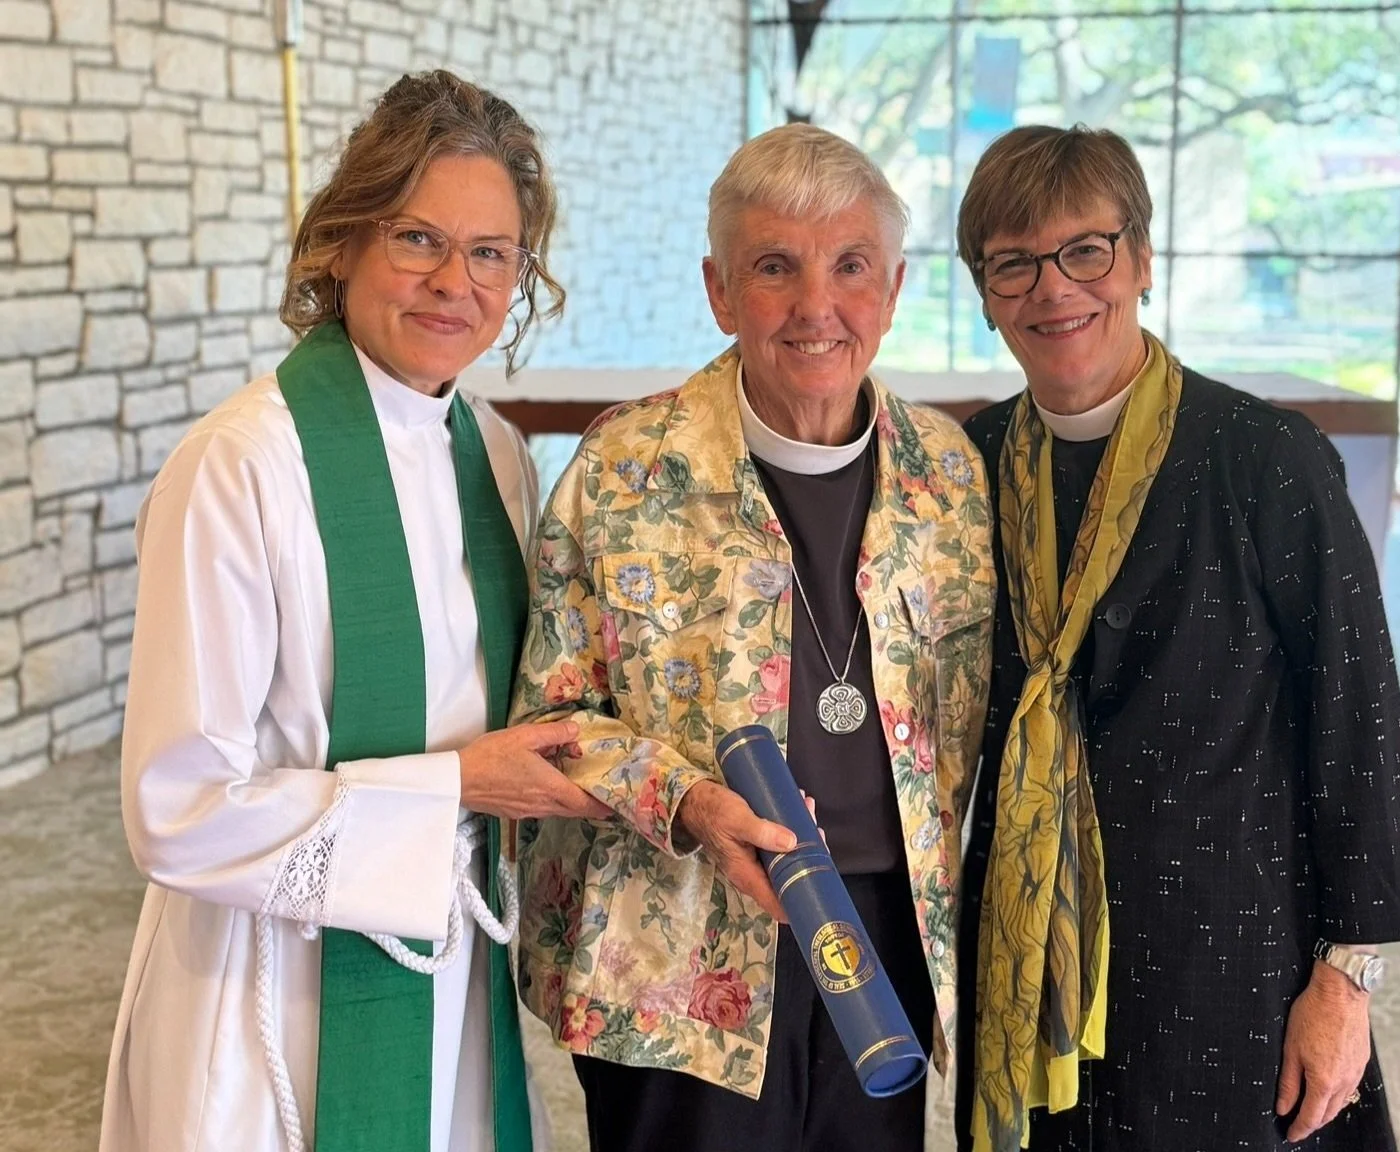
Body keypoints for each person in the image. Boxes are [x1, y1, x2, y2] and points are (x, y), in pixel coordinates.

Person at [99, 70, 607, 1152]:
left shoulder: (499, 460)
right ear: (341, 242)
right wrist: (456, 787)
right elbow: (178, 809)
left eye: (490, 254)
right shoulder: (241, 467)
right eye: (417, 238)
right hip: (270, 989)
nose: (453, 283)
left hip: (444, 950)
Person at [952, 124, 1400, 1152]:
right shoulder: (968, 466)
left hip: (1228, 954)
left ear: (1139, 258)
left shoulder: (1266, 460)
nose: (1054, 289)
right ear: (984, 289)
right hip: (1028, 953)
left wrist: (1345, 983)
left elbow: (1361, 730)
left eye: (1086, 250)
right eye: (1013, 263)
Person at [510, 123, 994, 1152]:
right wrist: (683, 798)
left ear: (894, 288)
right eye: (775, 267)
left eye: (850, 266)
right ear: (720, 291)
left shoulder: (950, 474)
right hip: (676, 943)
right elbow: (548, 724)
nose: (818, 307)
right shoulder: (623, 466)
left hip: (885, 940)